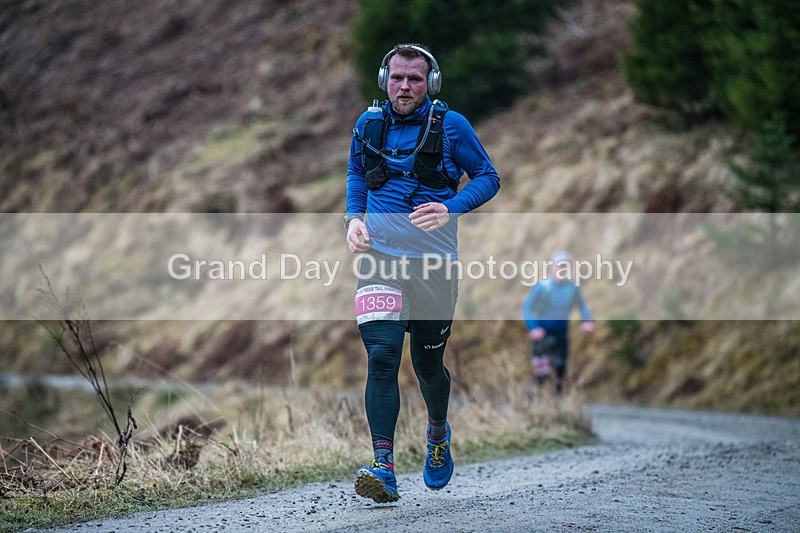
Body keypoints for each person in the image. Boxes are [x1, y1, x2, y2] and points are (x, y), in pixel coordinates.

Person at [344, 43, 500, 503]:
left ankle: (437, 433)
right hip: (379, 260)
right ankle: (383, 466)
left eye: (415, 78)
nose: (405, 86)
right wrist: (353, 219)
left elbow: (488, 177)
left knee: (428, 367)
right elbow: (356, 175)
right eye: (397, 77)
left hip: (435, 266)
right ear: (384, 80)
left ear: (430, 83)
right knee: (382, 356)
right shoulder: (367, 124)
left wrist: (451, 207)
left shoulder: (452, 126)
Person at [521, 251, 594, 394]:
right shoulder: (543, 286)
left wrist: (586, 321)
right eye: (559, 266)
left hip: (561, 335)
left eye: (565, 266)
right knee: (542, 373)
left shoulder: (572, 287)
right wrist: (533, 328)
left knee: (560, 370)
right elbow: (527, 307)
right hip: (543, 336)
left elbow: (582, 306)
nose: (562, 269)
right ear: (552, 267)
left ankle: (558, 403)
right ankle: (529, 400)